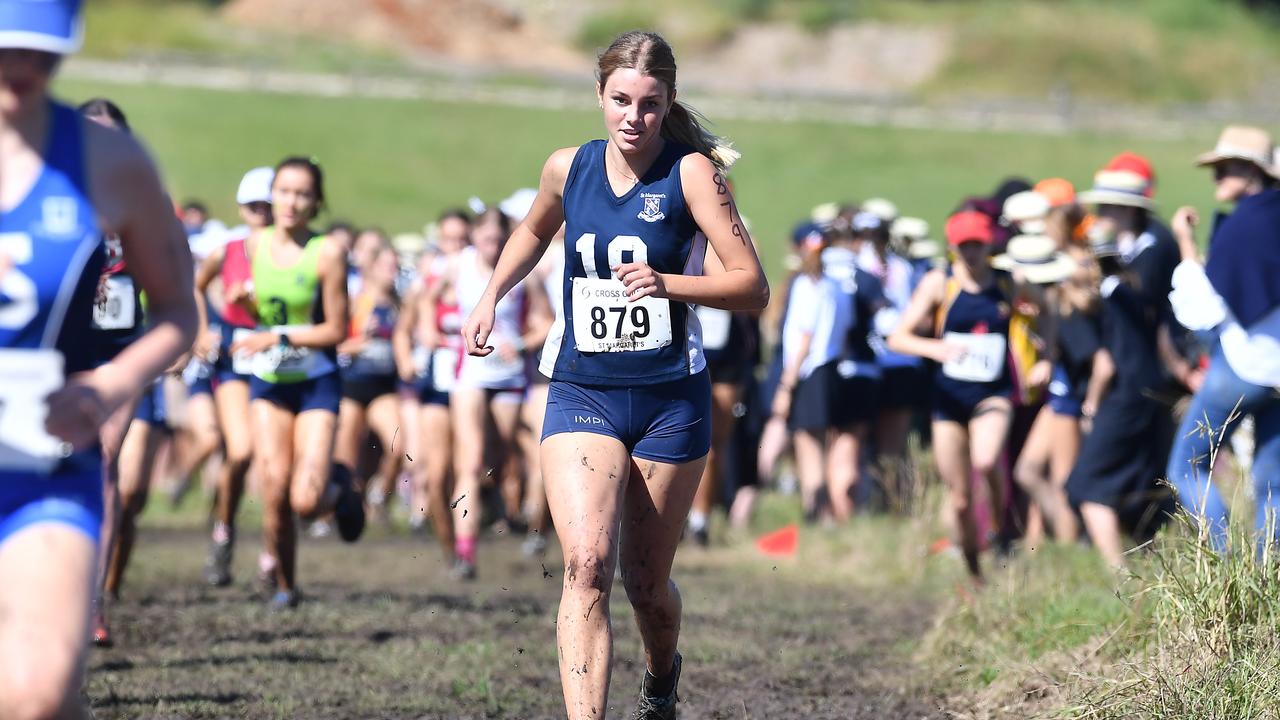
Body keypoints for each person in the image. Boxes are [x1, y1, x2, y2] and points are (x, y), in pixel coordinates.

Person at [460, 31, 768, 719]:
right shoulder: (568, 168)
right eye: (621, 100)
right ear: (599, 96)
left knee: (647, 585)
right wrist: (491, 295)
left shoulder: (693, 175)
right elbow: (535, 230)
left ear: (669, 103)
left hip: (668, 401)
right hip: (583, 390)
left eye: (651, 104)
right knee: (587, 566)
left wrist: (669, 285)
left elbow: (752, 288)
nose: (634, 117)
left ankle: (661, 678)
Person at [0, 2, 197, 714]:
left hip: (45, 456)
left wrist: (108, 383)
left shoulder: (111, 162)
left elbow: (178, 311)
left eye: (42, 53)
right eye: (7, 49)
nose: (22, 69)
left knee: (38, 691)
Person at [229, 156, 364, 610]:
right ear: (272, 195)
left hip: (315, 382)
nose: (292, 201)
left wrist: (277, 335)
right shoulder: (253, 245)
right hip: (269, 382)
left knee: (304, 500)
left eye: (303, 194)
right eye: (285, 191)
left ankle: (341, 485)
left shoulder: (327, 252)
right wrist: (244, 308)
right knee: (274, 486)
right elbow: (255, 315)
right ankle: (286, 585)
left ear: (317, 201)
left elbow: (336, 330)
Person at [888, 210, 1035, 583]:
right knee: (960, 499)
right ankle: (974, 571)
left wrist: (1044, 354)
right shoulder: (940, 283)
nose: (970, 253)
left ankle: (1001, 530)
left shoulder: (1008, 281)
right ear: (952, 246)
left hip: (993, 393)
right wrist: (934, 349)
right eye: (963, 245)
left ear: (989, 245)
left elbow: (1045, 308)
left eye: (977, 245)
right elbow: (898, 337)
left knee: (986, 462)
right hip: (949, 399)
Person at [1166, 125, 1280, 553]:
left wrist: (1185, 242)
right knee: (1273, 483)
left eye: (1224, 169)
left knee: (1186, 467)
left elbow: (1200, 308)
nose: (1216, 178)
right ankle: (1272, 574)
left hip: (1241, 367)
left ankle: (1225, 557)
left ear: (1251, 171)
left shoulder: (1244, 225)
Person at [432, 207, 551, 579]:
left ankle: (496, 501)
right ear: (474, 238)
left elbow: (546, 322)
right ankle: (466, 556)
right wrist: (432, 333)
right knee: (469, 461)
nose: (492, 246)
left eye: (499, 240)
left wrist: (521, 342)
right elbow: (424, 301)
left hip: (510, 374)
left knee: (499, 462)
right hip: (469, 373)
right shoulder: (458, 266)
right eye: (486, 239)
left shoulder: (522, 270)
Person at [1066, 226, 1171, 567]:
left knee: (1086, 483)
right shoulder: (1133, 289)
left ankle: (1118, 573)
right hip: (1151, 395)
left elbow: (1106, 364)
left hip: (1123, 397)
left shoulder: (1110, 297)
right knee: (1142, 480)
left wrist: (1092, 404)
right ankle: (1153, 561)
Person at [191, 165, 274, 587]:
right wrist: (203, 328)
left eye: (268, 204)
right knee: (240, 452)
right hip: (236, 363)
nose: (262, 210)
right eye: (253, 204)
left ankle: (273, 553)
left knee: (273, 463)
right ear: (241, 208)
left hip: (281, 365)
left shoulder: (297, 251)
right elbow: (195, 287)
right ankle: (223, 531)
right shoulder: (227, 250)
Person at [395, 209, 470, 555]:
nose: (455, 247)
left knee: (469, 469)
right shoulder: (424, 285)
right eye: (448, 240)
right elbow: (403, 330)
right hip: (437, 387)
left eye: (461, 240)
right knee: (436, 472)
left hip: (475, 385)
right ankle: (449, 548)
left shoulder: (484, 279)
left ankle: (472, 540)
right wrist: (406, 359)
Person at [335, 244, 404, 521]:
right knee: (347, 456)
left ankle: (379, 496)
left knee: (398, 447)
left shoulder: (400, 305)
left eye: (395, 266)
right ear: (371, 268)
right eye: (387, 266)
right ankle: (345, 510)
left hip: (383, 388)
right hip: (351, 387)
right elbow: (334, 345)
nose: (393, 272)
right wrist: (359, 341)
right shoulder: (355, 302)